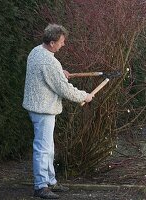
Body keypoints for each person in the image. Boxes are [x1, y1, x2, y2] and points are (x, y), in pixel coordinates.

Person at [23, 23, 94, 199]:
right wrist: (84, 96)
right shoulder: (50, 61)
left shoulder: (36, 51)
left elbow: (44, 73)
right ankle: (41, 186)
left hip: (38, 107)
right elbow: (64, 89)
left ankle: (51, 181)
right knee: (42, 148)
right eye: (62, 41)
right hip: (43, 109)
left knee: (48, 147)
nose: (63, 44)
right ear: (53, 42)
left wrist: (60, 71)